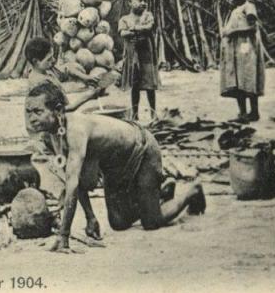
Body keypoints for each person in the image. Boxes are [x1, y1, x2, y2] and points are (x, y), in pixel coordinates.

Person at [25, 80, 205, 253]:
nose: (31, 118)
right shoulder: (52, 134)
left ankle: (192, 191)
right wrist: (91, 218)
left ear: (57, 111)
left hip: (142, 150)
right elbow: (74, 177)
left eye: (37, 112)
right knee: (118, 222)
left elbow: (72, 184)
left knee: (151, 221)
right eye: (29, 112)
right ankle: (160, 194)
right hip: (116, 165)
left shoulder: (75, 130)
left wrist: (64, 235)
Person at [24, 36, 113, 154]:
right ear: (36, 61)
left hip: (54, 124)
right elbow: (64, 109)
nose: (53, 60)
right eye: (49, 59)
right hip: (46, 134)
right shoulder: (39, 83)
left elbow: (66, 69)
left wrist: (85, 78)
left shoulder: (45, 70)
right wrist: (90, 95)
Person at [220, 0, 265, 122]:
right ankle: (243, 113)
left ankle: (253, 112)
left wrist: (233, 31)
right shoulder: (234, 10)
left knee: (247, 78)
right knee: (238, 80)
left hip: (245, 46)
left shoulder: (248, 6)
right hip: (235, 49)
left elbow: (253, 27)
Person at [118, 0, 159, 120]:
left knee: (149, 84)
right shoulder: (124, 19)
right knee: (135, 85)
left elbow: (149, 27)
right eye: (140, 0)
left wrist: (134, 29)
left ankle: (153, 113)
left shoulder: (148, 15)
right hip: (132, 57)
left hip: (146, 55)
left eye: (145, 1)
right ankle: (135, 114)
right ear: (130, 2)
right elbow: (122, 33)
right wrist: (132, 32)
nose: (143, 3)